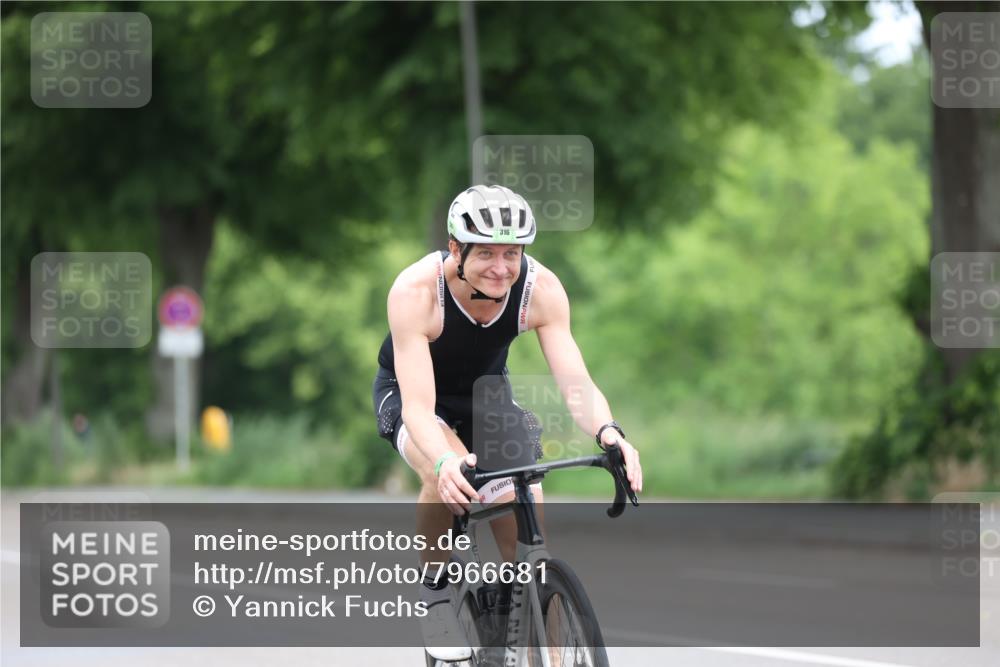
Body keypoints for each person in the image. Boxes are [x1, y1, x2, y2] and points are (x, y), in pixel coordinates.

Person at [372, 184, 642, 661]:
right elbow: (419, 409)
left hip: (487, 396)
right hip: (413, 393)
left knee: (525, 498)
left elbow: (576, 383)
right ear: (456, 250)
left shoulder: (541, 290)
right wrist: (442, 462)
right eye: (487, 254)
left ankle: (537, 636)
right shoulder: (416, 292)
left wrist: (609, 432)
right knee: (445, 473)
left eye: (512, 253)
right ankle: (435, 591)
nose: (502, 267)